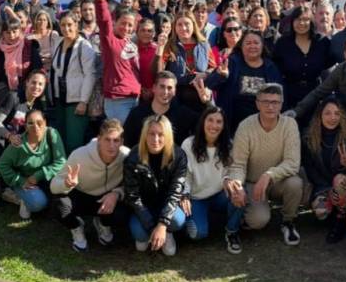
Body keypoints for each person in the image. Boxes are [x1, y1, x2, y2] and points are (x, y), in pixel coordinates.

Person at [224, 83, 303, 245]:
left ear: (281, 104)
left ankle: (288, 221)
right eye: (265, 101)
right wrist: (238, 184)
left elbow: (293, 163)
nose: (270, 106)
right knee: (258, 221)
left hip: (277, 181)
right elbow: (238, 164)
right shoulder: (245, 126)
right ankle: (247, 215)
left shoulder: (290, 125)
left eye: (275, 102)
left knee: (295, 183)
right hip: (253, 182)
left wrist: (269, 175)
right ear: (257, 103)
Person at [50, 119, 130, 251]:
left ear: (121, 142)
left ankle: (103, 223)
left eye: (116, 141)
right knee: (59, 206)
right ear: (99, 139)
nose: (111, 145)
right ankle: (76, 227)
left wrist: (117, 193)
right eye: (107, 139)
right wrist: (66, 183)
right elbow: (53, 186)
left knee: (123, 212)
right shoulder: (80, 154)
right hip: (81, 195)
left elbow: (132, 185)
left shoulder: (127, 156)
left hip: (106, 198)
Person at [181, 106, 245, 253]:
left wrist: (228, 180)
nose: (214, 125)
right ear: (203, 121)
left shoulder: (228, 145)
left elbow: (231, 171)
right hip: (197, 197)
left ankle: (232, 231)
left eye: (219, 122)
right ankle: (197, 219)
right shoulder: (188, 144)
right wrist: (185, 194)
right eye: (210, 120)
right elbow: (186, 175)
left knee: (239, 192)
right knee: (197, 234)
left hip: (219, 194)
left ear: (223, 125)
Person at [124, 115, 188, 256]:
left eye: (161, 134)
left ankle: (167, 233)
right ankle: (150, 235)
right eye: (151, 134)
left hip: (166, 205)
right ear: (144, 135)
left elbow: (175, 191)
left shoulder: (178, 156)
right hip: (143, 208)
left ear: (168, 136)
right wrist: (152, 226)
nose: (156, 139)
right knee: (139, 235)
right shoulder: (133, 157)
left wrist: (163, 225)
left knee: (177, 220)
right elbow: (132, 196)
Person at [302, 96, 346, 243]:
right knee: (321, 213)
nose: (332, 117)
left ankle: (341, 220)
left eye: (337, 113)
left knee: (339, 180)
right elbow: (310, 169)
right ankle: (334, 211)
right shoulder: (309, 138)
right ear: (319, 115)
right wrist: (326, 189)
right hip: (324, 186)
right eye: (328, 113)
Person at [207, 28, 283, 133]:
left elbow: (281, 96)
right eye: (248, 43)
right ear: (241, 46)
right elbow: (210, 84)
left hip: (263, 126)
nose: (252, 46)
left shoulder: (271, 67)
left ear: (262, 46)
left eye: (256, 43)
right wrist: (221, 76)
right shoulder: (231, 63)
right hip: (233, 125)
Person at [0, 109, 66, 220]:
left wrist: (38, 175)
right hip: (25, 180)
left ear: (45, 123)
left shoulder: (52, 134)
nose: (35, 127)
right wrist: (20, 181)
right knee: (38, 204)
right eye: (30, 123)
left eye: (39, 123)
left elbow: (61, 161)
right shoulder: (18, 143)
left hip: (44, 178)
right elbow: (2, 164)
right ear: (25, 125)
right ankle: (10, 192)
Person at [91, 0, 141, 123]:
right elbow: (104, 21)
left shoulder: (131, 43)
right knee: (120, 141)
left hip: (135, 97)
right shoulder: (109, 40)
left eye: (130, 25)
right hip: (117, 100)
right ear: (115, 22)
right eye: (123, 23)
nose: (126, 28)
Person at [124, 71, 211, 151]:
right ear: (154, 88)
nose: (165, 92)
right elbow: (127, 144)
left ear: (174, 91)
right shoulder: (137, 114)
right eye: (162, 87)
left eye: (169, 88)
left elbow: (209, 127)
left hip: (174, 165)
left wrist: (206, 103)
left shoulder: (183, 114)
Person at [48, 13, 97, 154]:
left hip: (76, 101)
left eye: (70, 24)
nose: (66, 28)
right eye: (63, 25)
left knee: (74, 143)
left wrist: (83, 101)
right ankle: (60, 173)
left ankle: (75, 173)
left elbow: (90, 74)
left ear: (76, 25)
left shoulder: (84, 46)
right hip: (59, 98)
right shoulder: (58, 42)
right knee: (60, 140)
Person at [272, 5, 333, 109]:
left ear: (311, 21)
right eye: (298, 19)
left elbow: (329, 64)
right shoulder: (282, 43)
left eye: (305, 19)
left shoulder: (322, 42)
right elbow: (276, 68)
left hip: (316, 96)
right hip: (289, 97)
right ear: (292, 21)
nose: (301, 23)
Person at [0, 18, 42, 97]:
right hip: (3, 93)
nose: (11, 35)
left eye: (14, 32)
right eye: (8, 32)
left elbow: (37, 68)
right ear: (2, 34)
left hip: (26, 91)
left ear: (20, 31)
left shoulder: (29, 46)